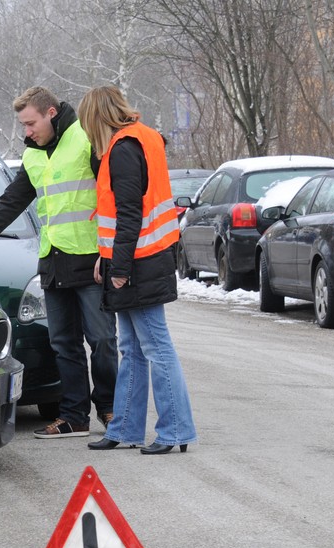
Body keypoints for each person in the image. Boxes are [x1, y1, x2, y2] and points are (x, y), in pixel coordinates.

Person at [0, 86, 118, 439]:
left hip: (91, 259)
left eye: (31, 123)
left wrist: (114, 251)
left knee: (102, 340)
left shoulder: (86, 137)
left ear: (51, 114)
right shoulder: (33, 156)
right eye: (23, 126)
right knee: (63, 343)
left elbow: (115, 191)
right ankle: (74, 416)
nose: (26, 132)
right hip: (54, 260)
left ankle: (111, 407)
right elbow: (12, 199)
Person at [77, 85, 197, 455]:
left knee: (154, 347)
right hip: (143, 257)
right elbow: (131, 213)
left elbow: (130, 213)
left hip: (139, 261)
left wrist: (120, 266)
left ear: (97, 118)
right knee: (133, 347)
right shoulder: (142, 139)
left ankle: (174, 430)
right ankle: (126, 427)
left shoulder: (124, 149)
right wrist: (108, 256)